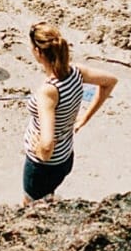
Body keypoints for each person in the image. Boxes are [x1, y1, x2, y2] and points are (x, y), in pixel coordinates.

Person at [23, 23, 117, 202]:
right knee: (47, 194)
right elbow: (110, 81)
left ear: (38, 52)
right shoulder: (76, 72)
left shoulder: (48, 91)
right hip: (65, 156)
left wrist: (40, 152)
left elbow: (47, 143)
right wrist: (84, 118)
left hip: (43, 166)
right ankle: (51, 198)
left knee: (29, 205)